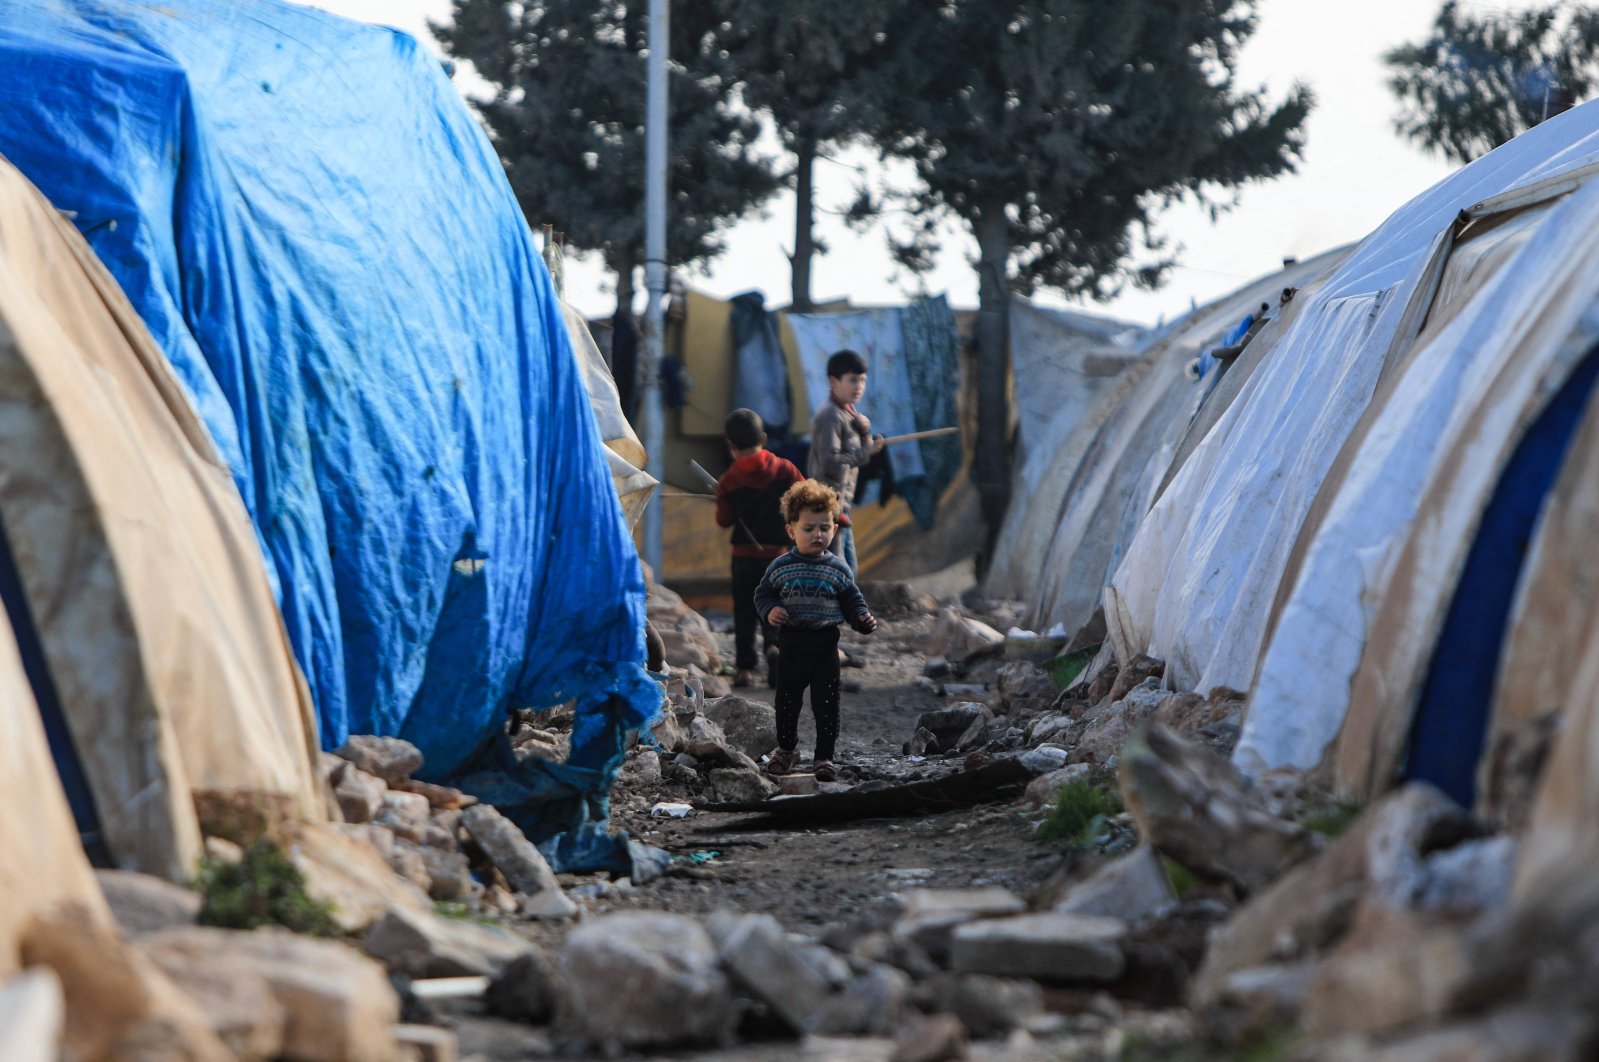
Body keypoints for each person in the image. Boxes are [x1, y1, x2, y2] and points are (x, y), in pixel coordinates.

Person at [753, 479, 877, 782]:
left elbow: (852, 600)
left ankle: (824, 757)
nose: (818, 535)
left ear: (834, 529)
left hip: (825, 646)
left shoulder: (838, 569)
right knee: (787, 703)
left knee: (826, 705)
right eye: (809, 529)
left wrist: (862, 619)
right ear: (791, 530)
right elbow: (763, 594)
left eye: (825, 527)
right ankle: (786, 749)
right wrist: (770, 610)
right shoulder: (781, 567)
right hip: (792, 644)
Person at [715, 408, 803, 687]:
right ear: (764, 438)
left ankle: (744, 669)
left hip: (742, 557)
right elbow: (804, 496)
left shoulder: (729, 480)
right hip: (777, 556)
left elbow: (724, 520)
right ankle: (774, 647)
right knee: (775, 606)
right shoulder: (785, 469)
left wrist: (724, 500)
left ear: (731, 448)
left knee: (744, 611)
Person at [807, 349, 884, 576]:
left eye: (862, 380)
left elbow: (856, 452)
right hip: (827, 506)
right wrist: (864, 451)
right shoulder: (831, 416)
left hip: (842, 505)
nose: (859, 386)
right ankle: (832, 611)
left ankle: (842, 611)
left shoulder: (849, 414)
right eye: (852, 380)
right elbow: (831, 462)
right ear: (833, 381)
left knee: (848, 567)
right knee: (838, 569)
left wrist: (865, 435)